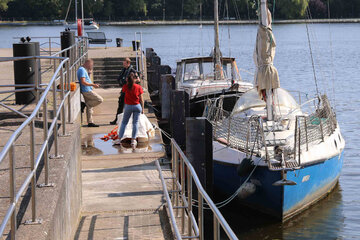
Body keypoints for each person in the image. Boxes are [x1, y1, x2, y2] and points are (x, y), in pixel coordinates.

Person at [118, 72, 144, 148]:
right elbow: (141, 99)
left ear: (127, 79)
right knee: (135, 123)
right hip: (137, 106)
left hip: (128, 106)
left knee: (124, 123)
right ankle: (133, 140)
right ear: (135, 79)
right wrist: (142, 109)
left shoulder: (125, 87)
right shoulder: (138, 87)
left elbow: (123, 91)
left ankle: (119, 139)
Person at [110, 57, 137, 125]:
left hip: (129, 91)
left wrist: (130, 83)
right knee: (120, 106)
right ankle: (117, 120)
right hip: (124, 90)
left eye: (124, 64)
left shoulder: (132, 71)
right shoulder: (124, 70)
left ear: (128, 63)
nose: (123, 65)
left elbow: (137, 80)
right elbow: (119, 78)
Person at [77, 59, 103, 127]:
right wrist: (93, 85)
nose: (91, 66)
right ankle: (86, 104)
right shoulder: (82, 70)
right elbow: (83, 82)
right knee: (99, 99)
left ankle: (90, 122)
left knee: (90, 107)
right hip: (87, 90)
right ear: (87, 63)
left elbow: (86, 79)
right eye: (91, 65)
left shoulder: (82, 69)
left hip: (87, 89)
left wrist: (89, 73)